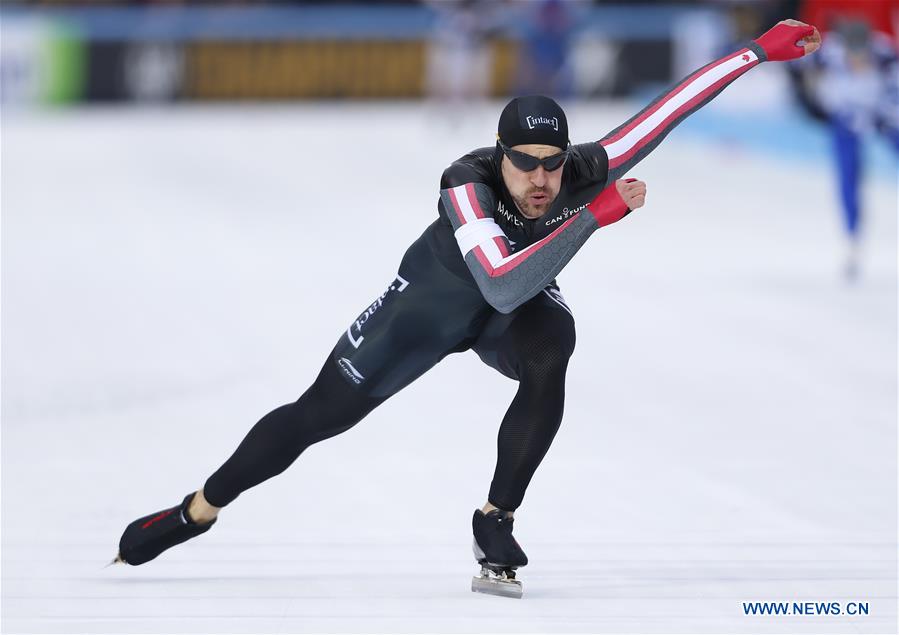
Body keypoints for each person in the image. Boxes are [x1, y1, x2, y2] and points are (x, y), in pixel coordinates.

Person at [115, 20, 821, 598]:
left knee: (554, 341)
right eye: (525, 163)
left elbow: (667, 111)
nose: (541, 179)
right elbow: (501, 283)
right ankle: (197, 509)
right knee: (314, 418)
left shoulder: (583, 168)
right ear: (499, 154)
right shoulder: (466, 185)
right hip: (428, 307)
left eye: (553, 163)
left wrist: (756, 51)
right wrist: (592, 218)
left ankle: (495, 517)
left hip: (507, 310)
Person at [789, 16, 898, 279]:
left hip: (880, 114)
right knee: (848, 177)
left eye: (862, 56)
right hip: (845, 117)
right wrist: (808, 103)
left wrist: (883, 115)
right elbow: (794, 62)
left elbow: (895, 92)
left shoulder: (884, 54)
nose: (857, 61)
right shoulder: (830, 51)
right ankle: (852, 241)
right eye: (853, 55)